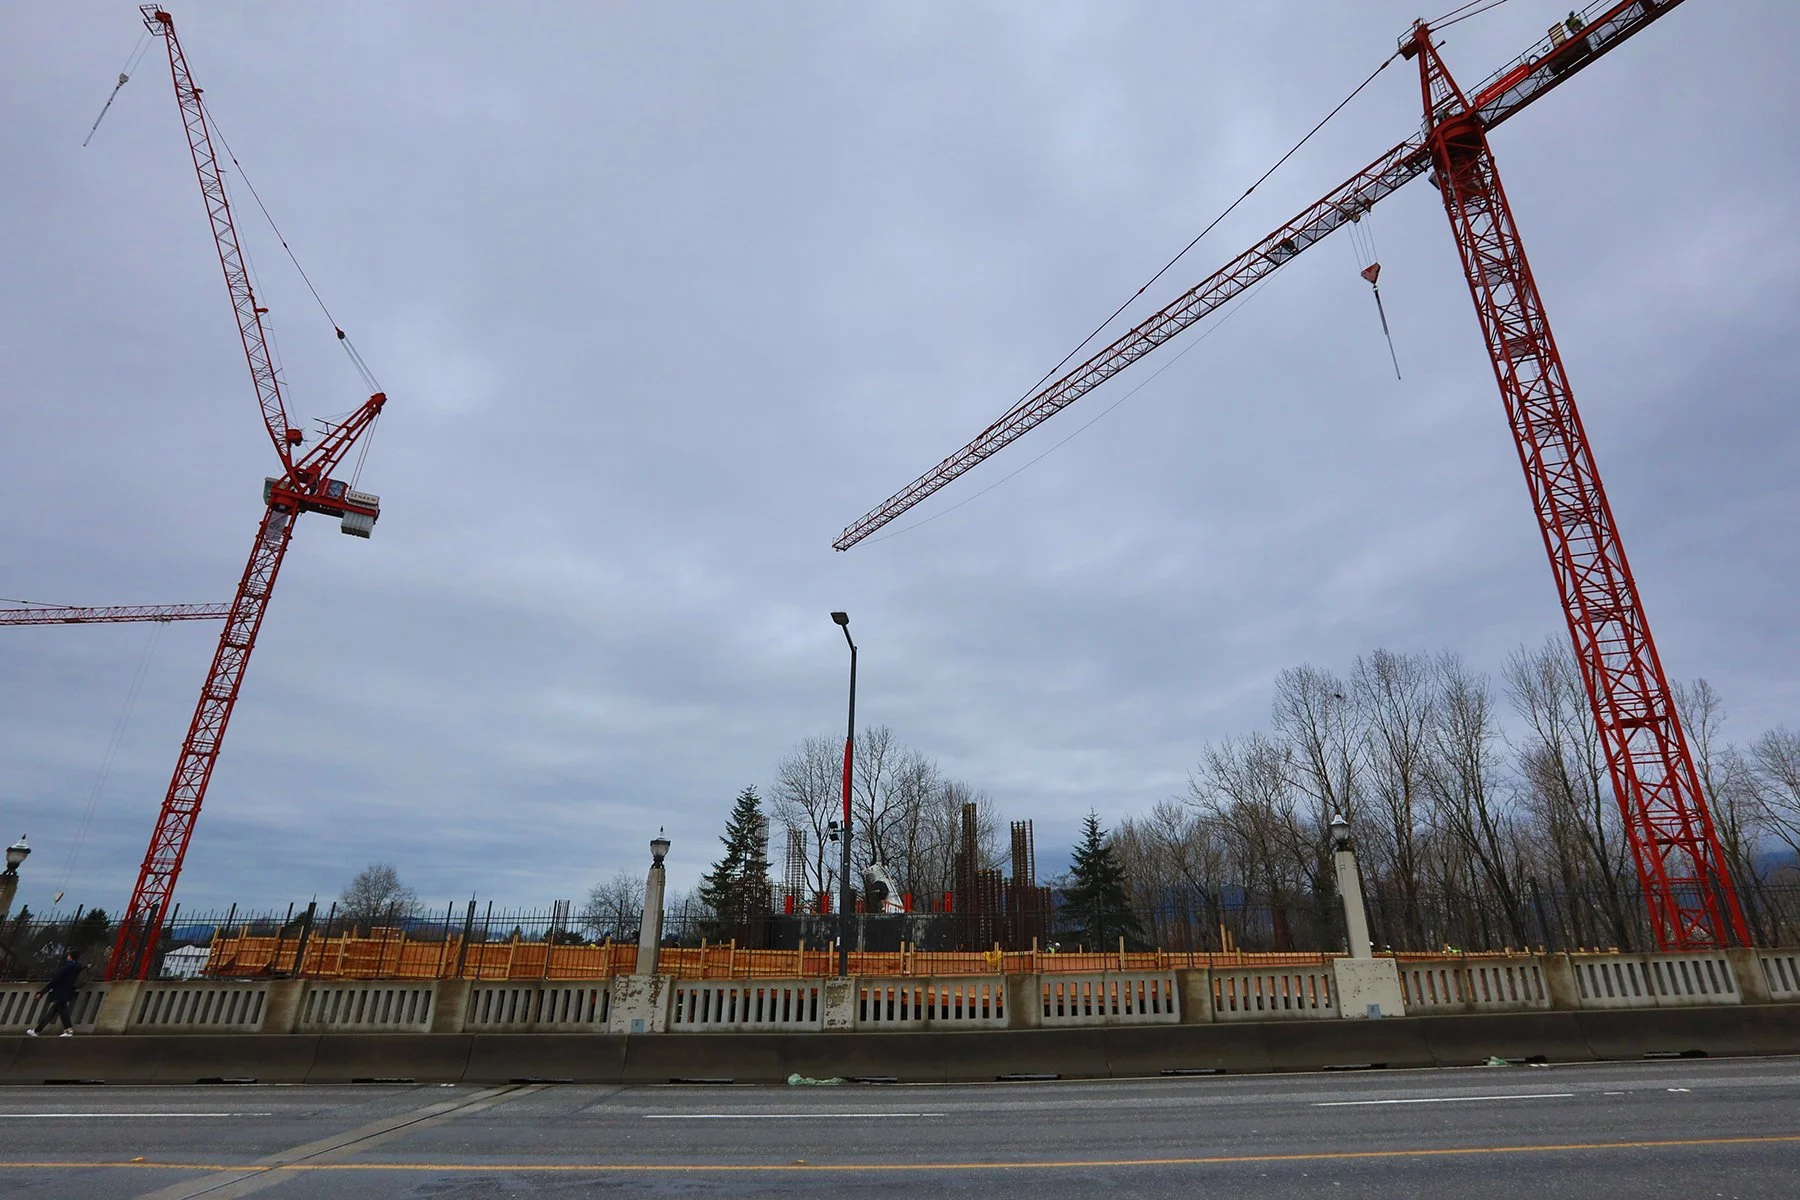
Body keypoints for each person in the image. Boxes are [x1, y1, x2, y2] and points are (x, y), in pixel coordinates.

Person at [26, 949, 85, 1037]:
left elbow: (55, 981)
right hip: (69, 991)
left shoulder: (67, 967)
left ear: (71, 956)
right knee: (52, 1012)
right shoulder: (79, 967)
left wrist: (42, 992)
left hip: (61, 991)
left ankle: (69, 1030)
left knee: (62, 1010)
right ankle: (37, 1031)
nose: (67, 956)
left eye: (68, 955)